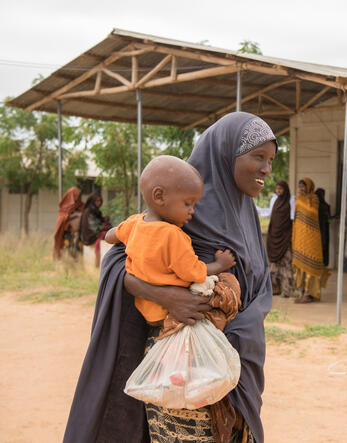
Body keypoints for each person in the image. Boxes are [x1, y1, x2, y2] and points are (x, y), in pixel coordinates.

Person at [63, 112, 277, 443]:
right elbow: (119, 262)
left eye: (271, 160)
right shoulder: (182, 202)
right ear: (225, 154)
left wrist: (239, 324)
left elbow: (259, 287)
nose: (266, 168)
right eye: (257, 156)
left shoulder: (244, 212)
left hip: (236, 359)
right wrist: (167, 296)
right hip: (183, 363)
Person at [103, 155, 237, 326]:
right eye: (188, 204)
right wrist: (220, 265)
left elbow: (109, 236)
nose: (192, 211)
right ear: (159, 196)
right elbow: (192, 272)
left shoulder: (134, 223)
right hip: (170, 312)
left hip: (146, 310)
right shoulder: (173, 236)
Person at [291, 178, 330, 304]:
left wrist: (306, 200)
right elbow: (296, 218)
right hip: (300, 237)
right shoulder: (298, 199)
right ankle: (302, 292)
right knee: (300, 265)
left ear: (309, 187)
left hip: (312, 237)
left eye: (303, 187)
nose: (301, 189)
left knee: (310, 265)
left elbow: (311, 214)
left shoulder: (314, 199)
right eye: (300, 187)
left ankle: (309, 294)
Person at [266, 181, 294, 297]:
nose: (278, 191)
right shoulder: (274, 200)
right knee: (274, 265)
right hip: (274, 236)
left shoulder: (291, 201)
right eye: (277, 189)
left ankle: (287, 290)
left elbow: (292, 218)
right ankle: (275, 289)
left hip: (285, 237)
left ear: (285, 190)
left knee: (286, 264)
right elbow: (270, 215)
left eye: (280, 189)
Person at [79, 192, 112, 267]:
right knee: (108, 233)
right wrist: (104, 227)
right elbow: (94, 227)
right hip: (90, 236)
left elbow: (98, 221)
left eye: (100, 201)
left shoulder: (95, 210)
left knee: (109, 226)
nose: (99, 203)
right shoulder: (90, 211)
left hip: (95, 232)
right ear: (93, 201)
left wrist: (104, 220)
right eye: (97, 201)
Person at [53, 186, 84, 259]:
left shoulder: (81, 205)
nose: (79, 197)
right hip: (67, 233)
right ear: (72, 195)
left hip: (79, 233)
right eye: (77, 195)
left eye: (79, 196)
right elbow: (63, 217)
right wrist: (75, 215)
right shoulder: (65, 205)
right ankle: (67, 265)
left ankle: (76, 265)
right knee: (68, 250)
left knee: (78, 251)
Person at [315, 188, 331, 267]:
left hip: (323, 229)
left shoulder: (325, 206)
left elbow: (329, 220)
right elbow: (329, 220)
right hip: (320, 229)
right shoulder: (315, 206)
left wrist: (329, 218)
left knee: (323, 246)